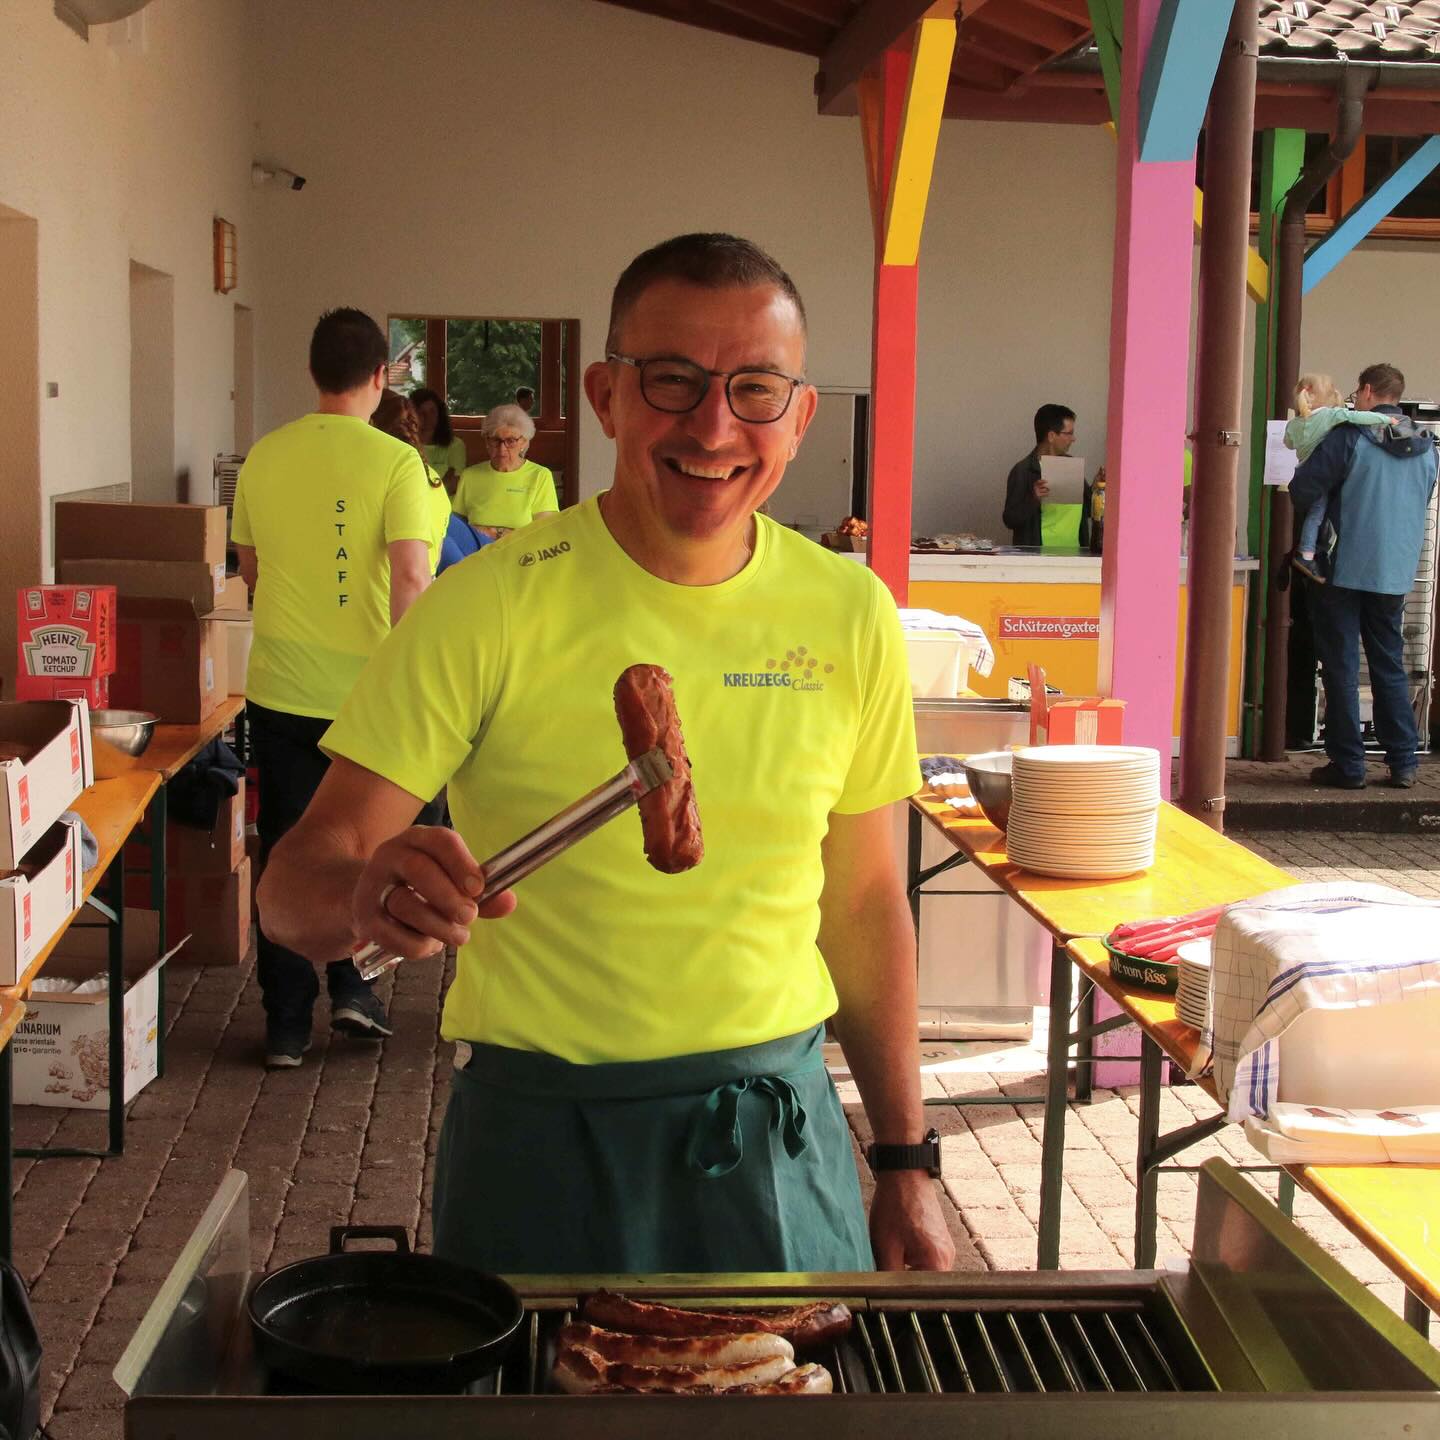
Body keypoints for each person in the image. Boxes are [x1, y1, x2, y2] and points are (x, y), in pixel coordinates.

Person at [258, 232, 955, 1276]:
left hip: (773, 1129)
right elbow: (289, 890)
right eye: (672, 380)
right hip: (540, 1137)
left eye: (756, 389)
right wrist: (365, 895)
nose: (713, 427)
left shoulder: (850, 613)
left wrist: (904, 1161)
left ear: (801, 415)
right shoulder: (486, 607)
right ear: (605, 396)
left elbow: (862, 905)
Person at [231, 308, 434, 1068]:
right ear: (381, 377)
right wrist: (408, 680)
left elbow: (250, 568)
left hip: (280, 688)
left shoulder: (264, 456)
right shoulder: (396, 463)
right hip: (365, 698)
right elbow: (411, 579)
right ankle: (354, 991)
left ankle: (285, 1025)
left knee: (287, 849)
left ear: (313, 373)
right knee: (364, 848)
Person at [1290, 362, 1437, 791]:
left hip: (1342, 567)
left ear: (1368, 391)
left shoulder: (1348, 437)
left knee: (1341, 666)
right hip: (1396, 570)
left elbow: (1303, 489)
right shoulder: (1427, 446)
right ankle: (1403, 762)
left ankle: (1349, 765)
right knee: (1389, 664)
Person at [1283, 372, 1389, 584]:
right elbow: (1357, 417)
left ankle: (1309, 550)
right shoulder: (1329, 416)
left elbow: (1288, 443)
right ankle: (1306, 554)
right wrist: (1386, 419)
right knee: (1317, 514)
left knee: (1313, 514)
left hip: (1302, 473)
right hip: (1319, 473)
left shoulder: (1294, 423)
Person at [372, 388, 456, 577]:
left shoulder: (384, 476)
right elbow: (435, 556)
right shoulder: (432, 477)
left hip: (393, 588)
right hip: (428, 583)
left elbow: (410, 570)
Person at [451, 403, 559, 541]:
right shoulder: (470, 475)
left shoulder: (540, 476)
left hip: (521, 549)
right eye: (496, 440)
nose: (502, 449)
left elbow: (544, 531)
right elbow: (456, 526)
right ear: (487, 442)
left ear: (524, 442)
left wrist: (496, 533)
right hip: (475, 549)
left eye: (511, 441)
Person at [1002, 403, 1091, 549]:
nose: (1073, 438)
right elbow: (1009, 519)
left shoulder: (1071, 467)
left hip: (1075, 556)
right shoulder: (1024, 470)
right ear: (1051, 436)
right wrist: (1033, 498)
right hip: (1039, 558)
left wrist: (1098, 488)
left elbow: (1089, 509)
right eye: (1069, 433)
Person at [412, 387, 467, 493]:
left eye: (432, 411)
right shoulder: (406, 444)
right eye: (421, 412)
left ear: (439, 413)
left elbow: (454, 483)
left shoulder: (455, 445)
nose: (427, 417)